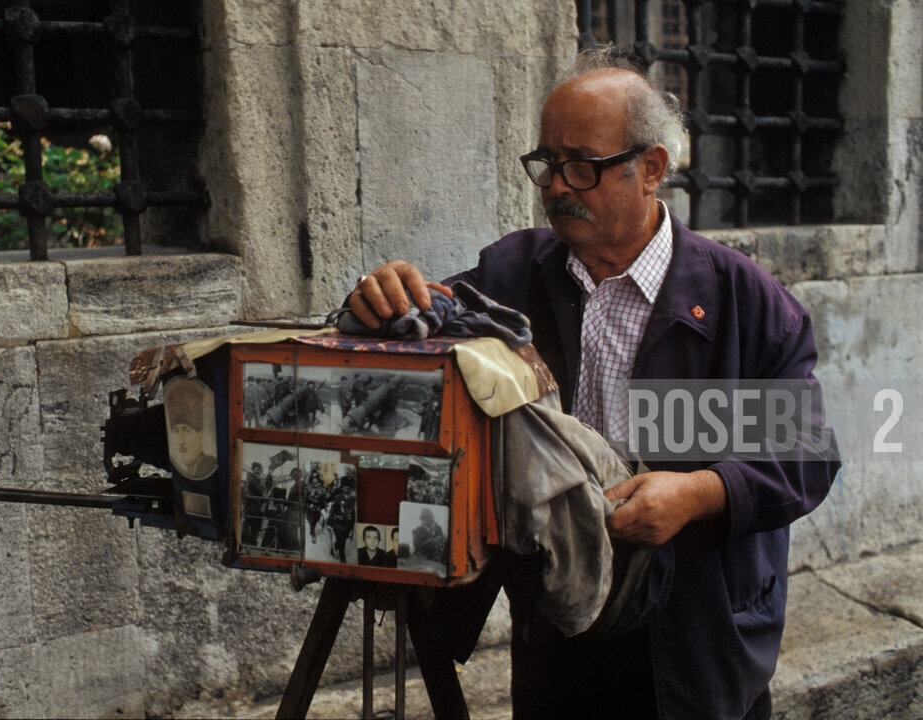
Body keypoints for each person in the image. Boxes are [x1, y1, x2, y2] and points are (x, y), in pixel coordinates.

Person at [345, 47, 839, 720]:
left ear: (651, 169)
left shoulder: (738, 301)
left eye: (582, 164)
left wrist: (697, 492)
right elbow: (415, 330)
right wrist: (377, 301)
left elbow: (805, 451)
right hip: (558, 619)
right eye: (548, 164)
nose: (556, 186)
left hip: (698, 632)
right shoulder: (517, 275)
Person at [165, 378, 218, 480]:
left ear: (201, 435)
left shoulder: (206, 467)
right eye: (176, 430)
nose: (180, 440)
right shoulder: (191, 468)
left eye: (186, 430)